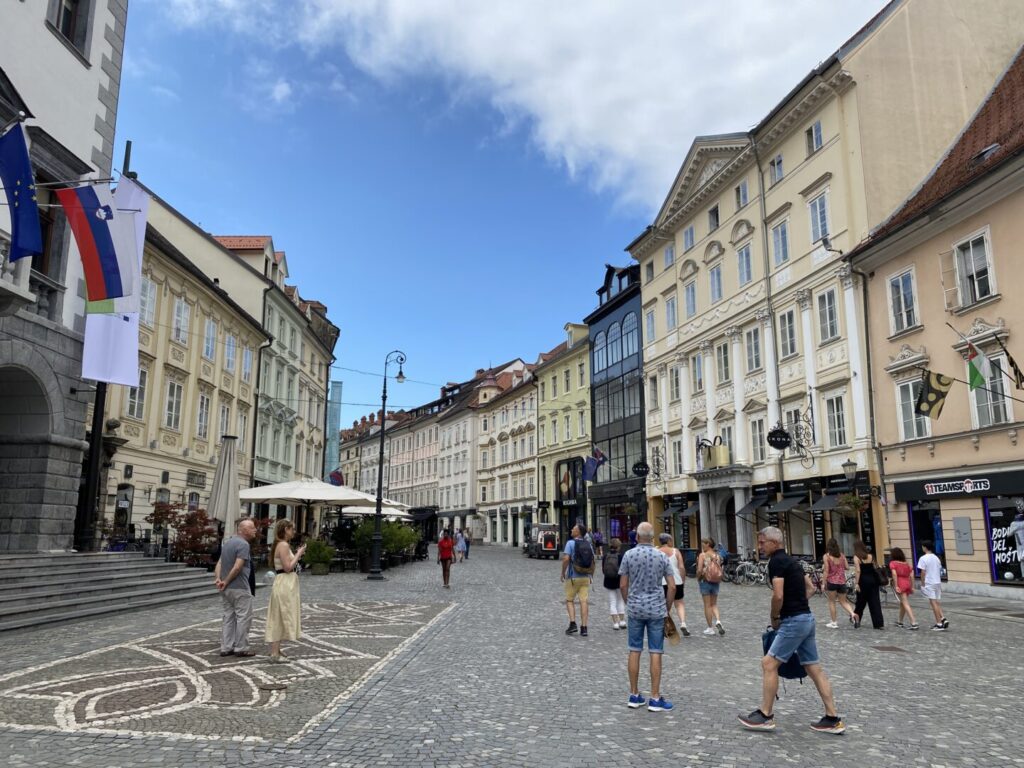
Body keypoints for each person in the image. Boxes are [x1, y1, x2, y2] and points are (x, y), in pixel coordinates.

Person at [739, 526, 845, 734]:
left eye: (762, 542)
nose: (759, 546)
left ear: (775, 543)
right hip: (807, 618)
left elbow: (777, 595)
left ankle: (765, 715)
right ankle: (832, 718)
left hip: (794, 621)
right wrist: (797, 602)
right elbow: (811, 589)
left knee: (768, 663)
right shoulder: (794, 562)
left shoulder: (776, 562)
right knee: (814, 668)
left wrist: (775, 616)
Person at [618, 522, 675, 712]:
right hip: (656, 609)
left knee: (634, 649)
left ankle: (634, 695)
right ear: (652, 537)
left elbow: (623, 584)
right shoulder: (661, 556)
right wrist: (666, 607)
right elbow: (672, 586)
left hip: (635, 608)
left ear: (637, 537)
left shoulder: (629, 555)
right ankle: (655, 697)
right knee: (655, 651)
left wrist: (629, 602)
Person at [214, 517, 257, 658]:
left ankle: (226, 647)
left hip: (226, 589)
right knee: (243, 617)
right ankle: (241, 648)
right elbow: (238, 566)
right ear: (244, 530)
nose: (255, 530)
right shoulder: (243, 544)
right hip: (240, 587)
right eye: (252, 528)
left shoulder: (228, 543)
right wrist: (225, 581)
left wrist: (218, 579)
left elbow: (219, 563)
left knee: (228, 617)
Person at [265, 520, 306, 663]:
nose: (294, 532)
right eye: (292, 529)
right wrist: (299, 554)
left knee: (281, 615)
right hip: (284, 583)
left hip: (287, 583)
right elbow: (288, 567)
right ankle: (274, 653)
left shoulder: (281, 544)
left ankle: (276, 650)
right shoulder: (283, 545)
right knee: (280, 616)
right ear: (286, 529)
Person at [561, 524, 595, 636]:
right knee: (583, 601)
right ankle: (584, 627)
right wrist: (591, 576)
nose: (571, 529)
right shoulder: (588, 544)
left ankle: (572, 624)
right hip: (585, 577)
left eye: (573, 528)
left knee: (569, 600)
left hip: (573, 577)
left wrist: (563, 573)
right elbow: (593, 561)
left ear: (578, 532)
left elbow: (566, 559)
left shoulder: (570, 543)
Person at [657, 532, 690, 637]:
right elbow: (681, 567)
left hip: (662, 582)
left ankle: (666, 626)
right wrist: (682, 580)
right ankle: (683, 623)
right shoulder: (676, 551)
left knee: (665, 605)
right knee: (679, 603)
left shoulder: (656, 552)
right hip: (676, 581)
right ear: (669, 541)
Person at [822, 538, 855, 628]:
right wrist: (840, 567)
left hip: (832, 582)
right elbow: (847, 567)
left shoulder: (826, 556)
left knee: (832, 602)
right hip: (842, 582)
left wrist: (823, 583)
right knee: (843, 601)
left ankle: (834, 622)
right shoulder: (842, 556)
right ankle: (852, 614)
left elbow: (826, 570)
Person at [852, 539, 884, 629]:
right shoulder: (871, 556)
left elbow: (858, 571)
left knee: (860, 602)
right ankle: (878, 623)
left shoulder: (856, 557)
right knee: (875, 602)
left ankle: (857, 620)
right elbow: (876, 567)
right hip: (873, 581)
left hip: (863, 581)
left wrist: (856, 583)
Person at [696, 537, 725, 636]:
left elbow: (700, 569)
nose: (702, 545)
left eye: (703, 543)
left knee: (707, 605)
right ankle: (718, 621)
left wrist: (698, 577)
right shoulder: (717, 556)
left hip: (705, 581)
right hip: (716, 581)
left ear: (708, 544)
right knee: (714, 604)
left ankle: (710, 628)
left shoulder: (702, 555)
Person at [917, 540, 947, 630]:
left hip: (929, 582)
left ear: (925, 547)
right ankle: (942, 618)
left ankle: (939, 623)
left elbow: (923, 572)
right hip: (937, 581)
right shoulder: (936, 558)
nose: (922, 548)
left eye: (923, 546)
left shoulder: (923, 558)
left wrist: (922, 583)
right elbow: (939, 569)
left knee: (933, 603)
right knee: (936, 602)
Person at [888, 547, 918, 630]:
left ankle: (913, 622)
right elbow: (912, 575)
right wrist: (912, 586)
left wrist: (896, 585)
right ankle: (900, 621)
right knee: (902, 603)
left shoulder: (893, 563)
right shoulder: (906, 563)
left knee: (905, 603)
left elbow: (894, 574)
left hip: (900, 582)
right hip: (907, 582)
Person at [602, 537, 626, 629]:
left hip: (608, 580)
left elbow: (603, 569)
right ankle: (622, 621)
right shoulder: (620, 556)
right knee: (620, 600)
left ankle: (615, 623)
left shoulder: (605, 556)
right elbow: (624, 570)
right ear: (618, 547)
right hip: (619, 580)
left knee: (612, 601)